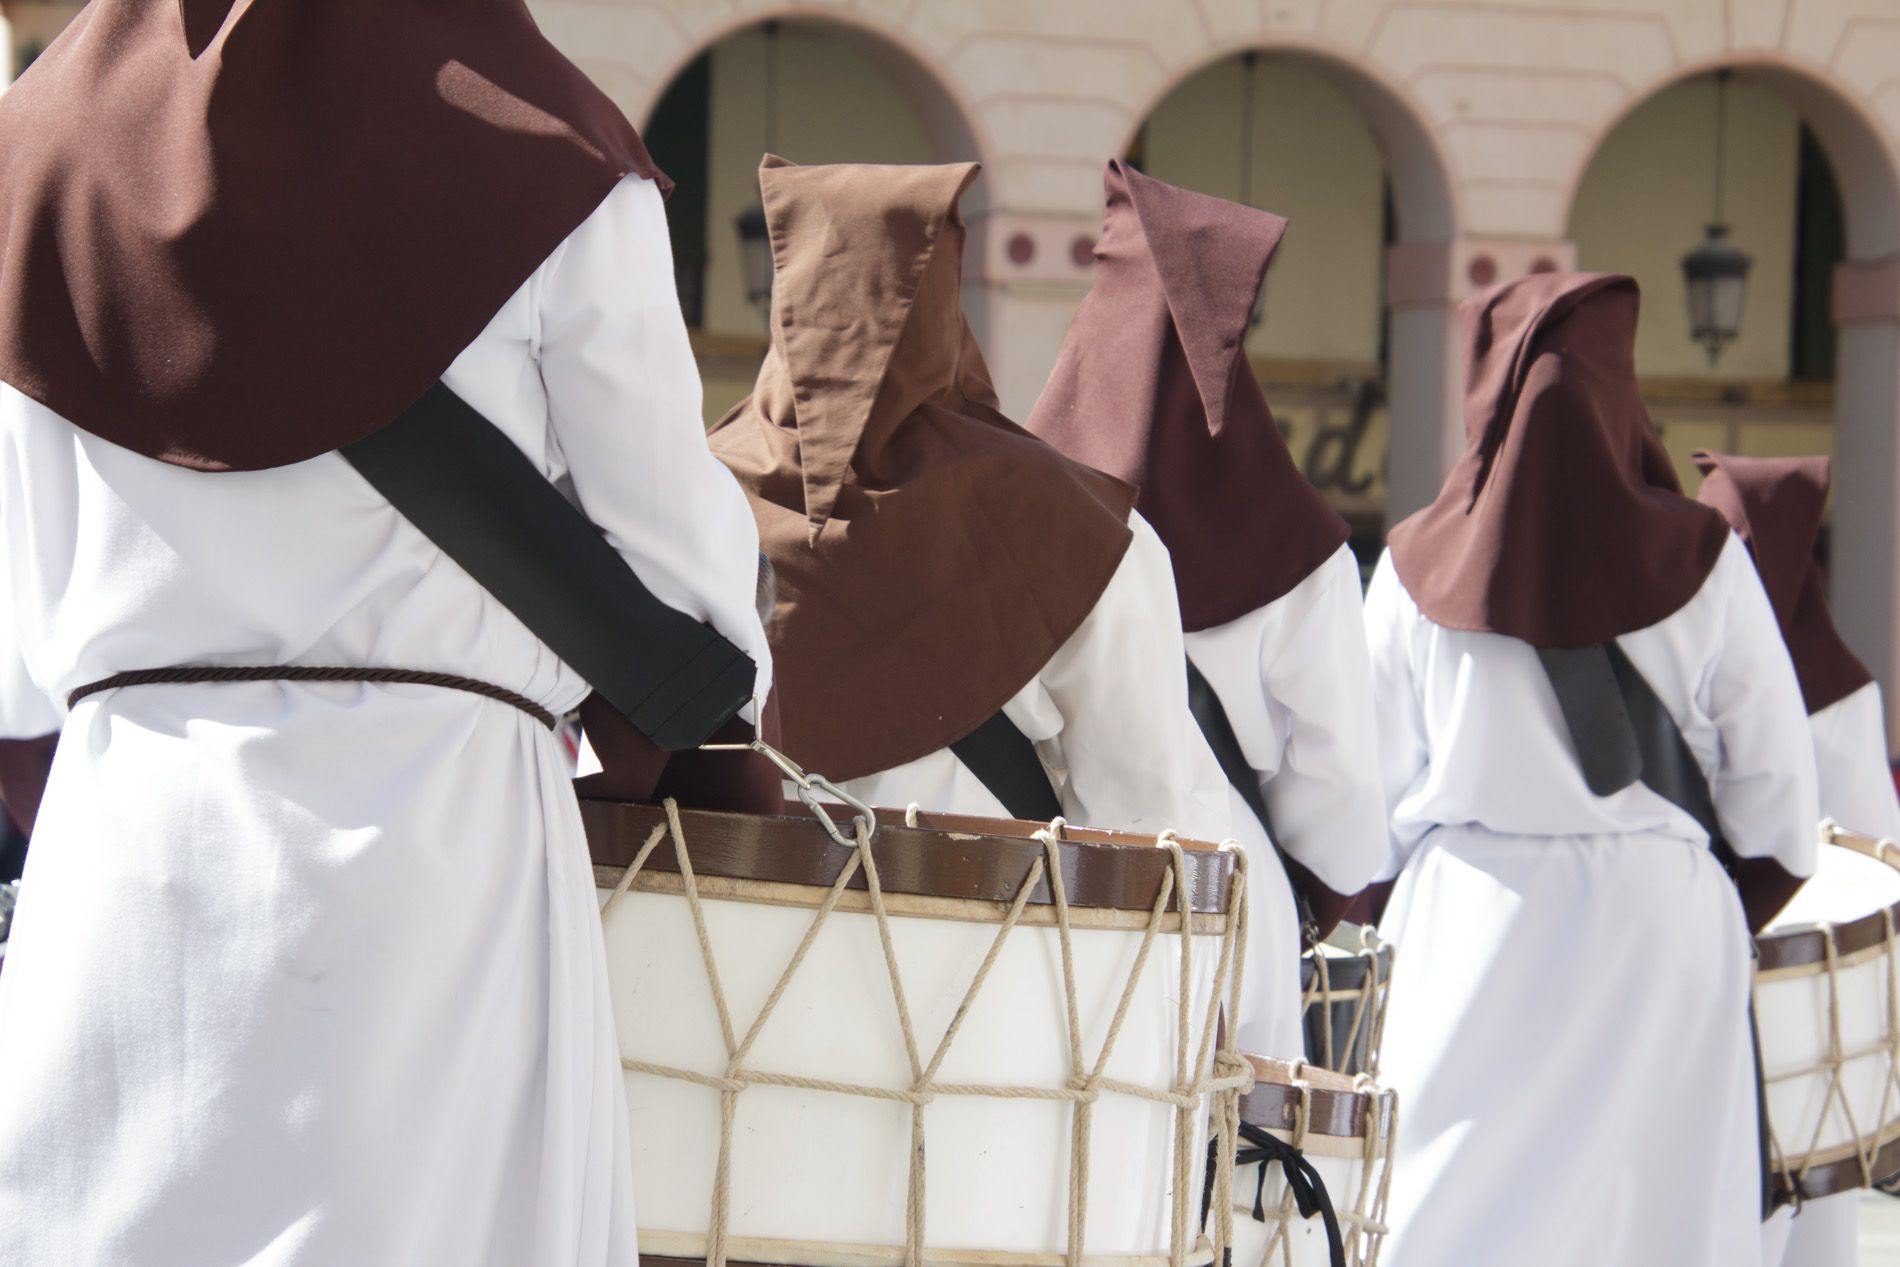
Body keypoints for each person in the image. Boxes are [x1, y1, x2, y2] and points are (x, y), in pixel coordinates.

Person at [0, 2, 772, 1262]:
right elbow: (686, 597)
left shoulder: (26, 153)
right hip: (438, 844)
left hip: (122, 847)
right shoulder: (555, 153)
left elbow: (16, 641)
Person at [1364, 272, 1817, 1267]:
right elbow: (1780, 794)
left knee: (1446, 1208)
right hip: (1659, 922)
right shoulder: (1705, 558)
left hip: (1469, 917)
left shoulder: (1409, 565)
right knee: (1655, 1218)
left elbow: (1372, 799)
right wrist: (1718, 892)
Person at [710, 157, 1229, 842]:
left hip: (732, 932)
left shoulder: (699, 498)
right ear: (943, 305)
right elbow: (1144, 819)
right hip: (988, 934)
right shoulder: (1083, 528)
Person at [1025, 160, 1387, 1057]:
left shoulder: (1014, 507)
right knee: (1219, 1182)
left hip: (1039, 893)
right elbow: (1339, 781)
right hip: (1227, 893)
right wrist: (1314, 893)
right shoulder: (1302, 547)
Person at [1696, 450, 1900, 1267]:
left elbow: (1867, 856)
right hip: (1719, 968)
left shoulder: (1836, 687)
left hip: (1803, 998)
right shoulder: (1705, 662)